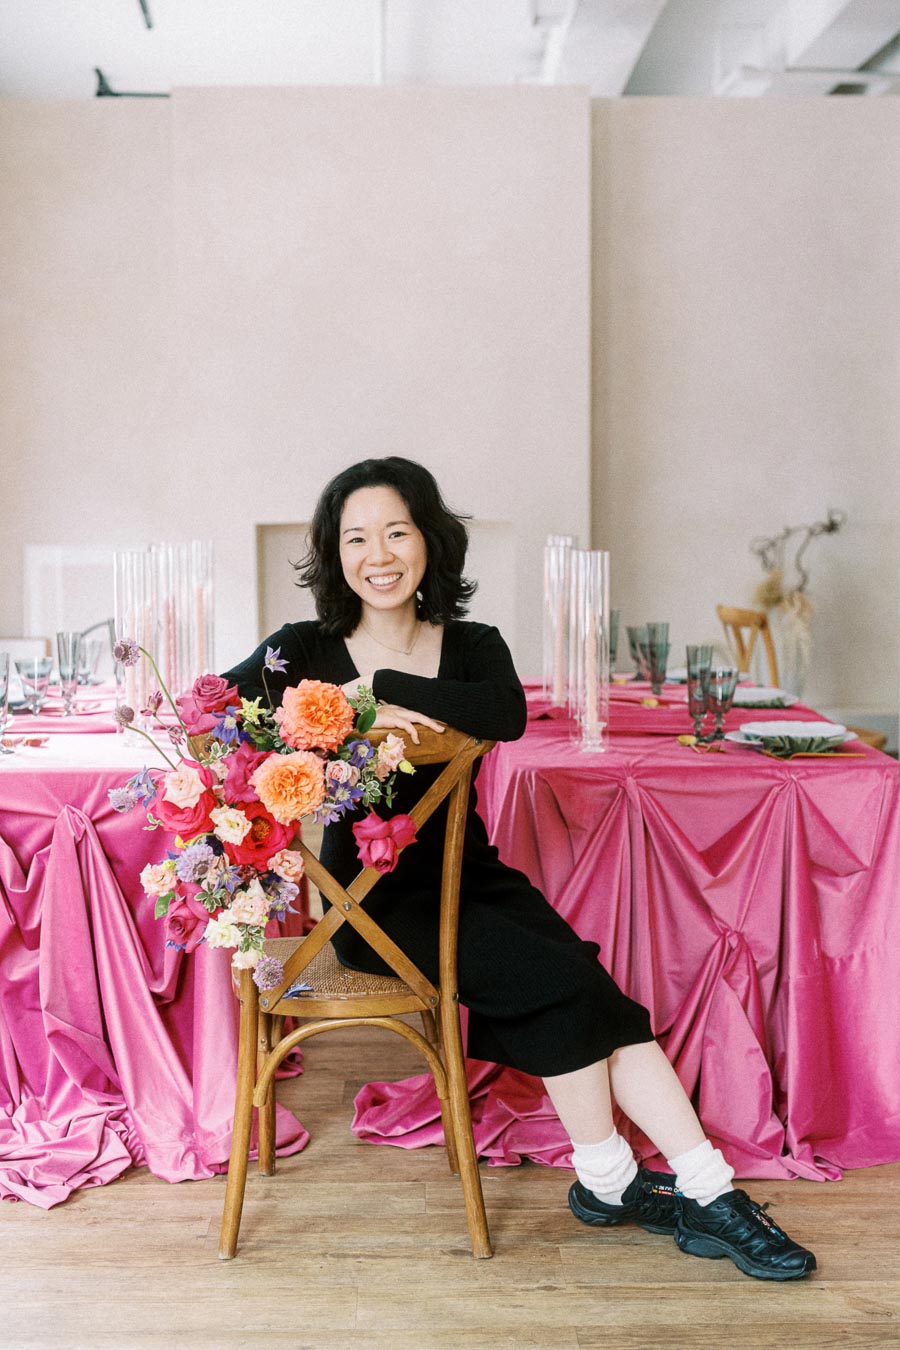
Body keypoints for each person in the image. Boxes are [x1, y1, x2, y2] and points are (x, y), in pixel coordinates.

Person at [222, 456, 816, 1282]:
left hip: (475, 879)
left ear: (429, 541)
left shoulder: (471, 646)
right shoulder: (302, 650)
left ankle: (610, 1182)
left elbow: (503, 713)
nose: (378, 553)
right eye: (356, 538)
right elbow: (215, 717)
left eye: (396, 531)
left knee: (569, 981)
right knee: (576, 985)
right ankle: (708, 1191)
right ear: (334, 554)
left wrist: (380, 686)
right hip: (368, 904)